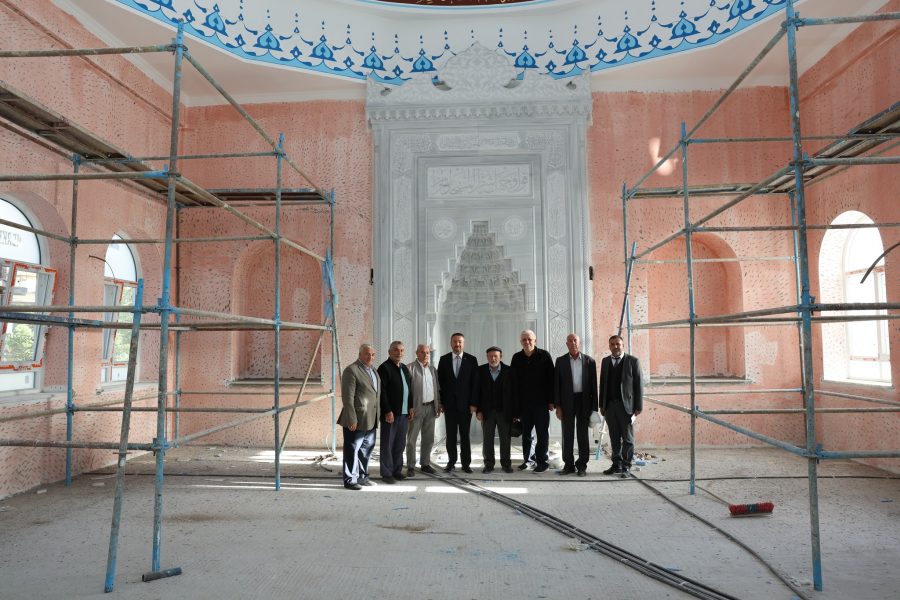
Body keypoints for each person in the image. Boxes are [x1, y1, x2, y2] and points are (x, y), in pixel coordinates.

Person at [510, 329, 555, 473]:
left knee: (542, 434)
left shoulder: (544, 356)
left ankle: (542, 461)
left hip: (541, 403)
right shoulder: (516, 358)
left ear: (535, 341)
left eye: (529, 339)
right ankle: (528, 460)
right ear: (521, 342)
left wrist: (551, 400)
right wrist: (515, 407)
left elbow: (551, 380)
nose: (527, 342)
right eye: (524, 340)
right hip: (524, 404)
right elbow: (513, 383)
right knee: (527, 434)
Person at [554, 333, 598, 476]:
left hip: (584, 402)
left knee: (582, 434)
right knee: (567, 433)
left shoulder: (589, 361)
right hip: (566, 402)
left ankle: (582, 466)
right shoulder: (560, 361)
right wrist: (558, 406)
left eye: (575, 340)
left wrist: (594, 409)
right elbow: (557, 386)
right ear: (566, 344)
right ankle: (568, 465)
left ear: (579, 343)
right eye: (570, 341)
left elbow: (593, 387)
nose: (573, 343)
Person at [599, 335, 643, 477]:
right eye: (612, 344)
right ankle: (616, 464)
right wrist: (602, 405)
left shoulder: (632, 361)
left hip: (627, 407)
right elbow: (603, 384)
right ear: (609, 346)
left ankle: (626, 466)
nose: (615, 346)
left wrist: (638, 407)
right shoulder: (605, 362)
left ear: (623, 345)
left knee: (628, 439)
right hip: (610, 406)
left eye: (618, 344)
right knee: (614, 437)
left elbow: (639, 385)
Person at [338, 344, 381, 490]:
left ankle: (362, 477)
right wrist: (351, 419)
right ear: (360, 354)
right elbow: (347, 398)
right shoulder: (351, 370)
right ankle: (350, 479)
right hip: (356, 419)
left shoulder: (373, 371)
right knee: (352, 450)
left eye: (373, 354)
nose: (371, 357)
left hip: (371, 418)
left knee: (366, 450)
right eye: (367, 354)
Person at [436, 332, 479, 473]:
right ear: (451, 343)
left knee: (465, 435)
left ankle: (466, 464)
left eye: (460, 341)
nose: (457, 344)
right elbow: (440, 383)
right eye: (455, 341)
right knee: (451, 435)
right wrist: (441, 403)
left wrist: (474, 403)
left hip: (466, 406)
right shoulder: (443, 360)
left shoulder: (472, 360)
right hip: (449, 406)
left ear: (463, 343)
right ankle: (451, 462)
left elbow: (475, 384)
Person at [377, 341, 413, 484]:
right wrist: (387, 411)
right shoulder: (384, 368)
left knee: (400, 444)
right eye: (396, 350)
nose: (399, 353)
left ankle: (397, 470)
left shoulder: (404, 368)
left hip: (404, 414)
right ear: (389, 351)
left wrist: (410, 406)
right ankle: (386, 473)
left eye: (402, 350)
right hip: (390, 414)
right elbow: (382, 392)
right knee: (387, 444)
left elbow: (409, 390)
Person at [476, 346, 515, 474]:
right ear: (487, 357)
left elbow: (514, 393)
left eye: (496, 356)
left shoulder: (509, 371)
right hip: (486, 412)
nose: (493, 358)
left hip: (505, 412)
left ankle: (506, 464)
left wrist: (514, 412)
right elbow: (477, 392)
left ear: (501, 357)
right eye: (490, 356)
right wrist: (478, 410)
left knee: (505, 439)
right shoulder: (480, 370)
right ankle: (488, 464)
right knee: (487, 439)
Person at [406, 343, 440, 477]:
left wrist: (438, 405)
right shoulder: (410, 368)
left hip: (431, 407)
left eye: (427, 353)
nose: (426, 355)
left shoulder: (432, 369)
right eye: (423, 352)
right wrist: (410, 407)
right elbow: (407, 391)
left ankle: (425, 464)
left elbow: (437, 388)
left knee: (428, 438)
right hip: (416, 408)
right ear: (417, 353)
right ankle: (410, 466)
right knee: (412, 439)